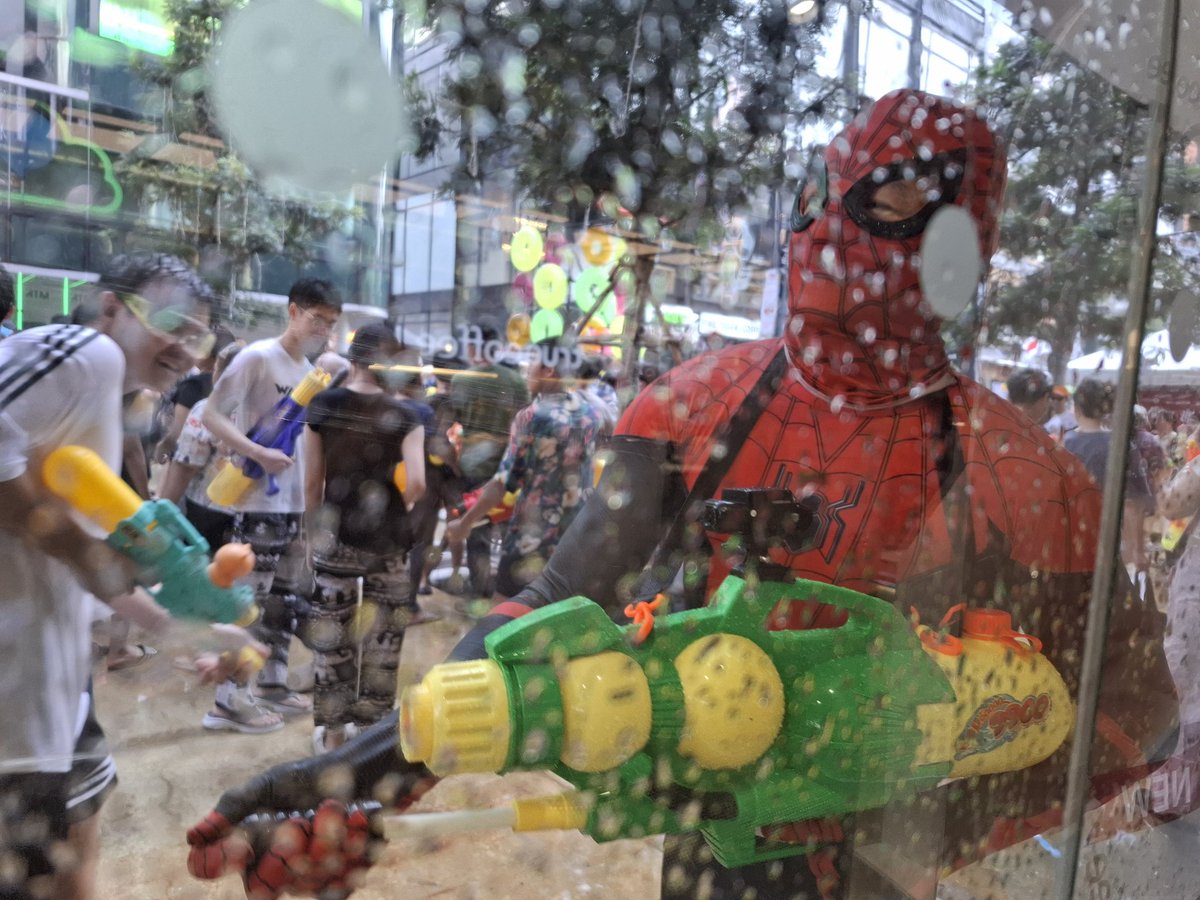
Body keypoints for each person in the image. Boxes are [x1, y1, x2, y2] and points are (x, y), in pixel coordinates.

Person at [186, 90, 1176, 899]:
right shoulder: (696, 405)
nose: (826, 235)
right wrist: (365, 779)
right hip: (710, 843)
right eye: (815, 195)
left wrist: (928, 829)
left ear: (964, 250)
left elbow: (1133, 706)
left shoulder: (1019, 472)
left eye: (882, 206)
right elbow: (560, 601)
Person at [0, 252, 258, 900]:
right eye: (169, 320)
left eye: (197, 336)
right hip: (13, 690)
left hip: (48, 683)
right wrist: (80, 552)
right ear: (109, 305)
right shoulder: (88, 352)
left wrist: (179, 628)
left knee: (74, 855)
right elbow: (76, 551)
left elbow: (91, 566)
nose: (183, 348)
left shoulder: (99, 411)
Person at [199, 278, 342, 733]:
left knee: (284, 598)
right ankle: (227, 700)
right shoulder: (258, 357)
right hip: (257, 498)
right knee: (250, 601)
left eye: (330, 322)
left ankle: (272, 684)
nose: (322, 328)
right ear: (293, 311)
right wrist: (256, 452)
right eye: (317, 318)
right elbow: (212, 414)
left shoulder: (310, 372)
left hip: (294, 504)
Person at [302, 322, 426, 754]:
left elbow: (312, 483)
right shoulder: (407, 414)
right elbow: (417, 485)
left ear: (352, 359)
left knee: (333, 638)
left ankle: (333, 737)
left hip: (335, 537)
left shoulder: (323, 404)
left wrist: (310, 533)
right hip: (390, 544)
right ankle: (370, 739)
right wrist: (395, 510)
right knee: (384, 641)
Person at [445, 338, 604, 601]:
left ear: (549, 370)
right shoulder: (591, 413)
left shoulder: (533, 416)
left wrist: (465, 523)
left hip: (534, 533)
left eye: (532, 361)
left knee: (505, 612)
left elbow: (501, 483)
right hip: (577, 533)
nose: (527, 368)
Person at [437, 317, 529, 597]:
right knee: (507, 529)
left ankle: (479, 592)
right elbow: (524, 424)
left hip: (473, 467)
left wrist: (454, 463)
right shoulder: (515, 381)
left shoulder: (462, 380)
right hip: (508, 466)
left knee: (477, 533)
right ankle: (506, 589)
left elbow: (447, 427)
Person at [1064, 379, 1157, 574]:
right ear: (1107, 409)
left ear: (1077, 408)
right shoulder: (1122, 447)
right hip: (1107, 542)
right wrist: (1138, 551)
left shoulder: (1062, 444)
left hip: (1066, 540)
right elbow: (1132, 505)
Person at [153, 324, 239, 465]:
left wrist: (163, 446)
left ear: (208, 355)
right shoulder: (234, 390)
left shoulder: (194, 385)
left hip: (188, 462)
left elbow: (178, 431)